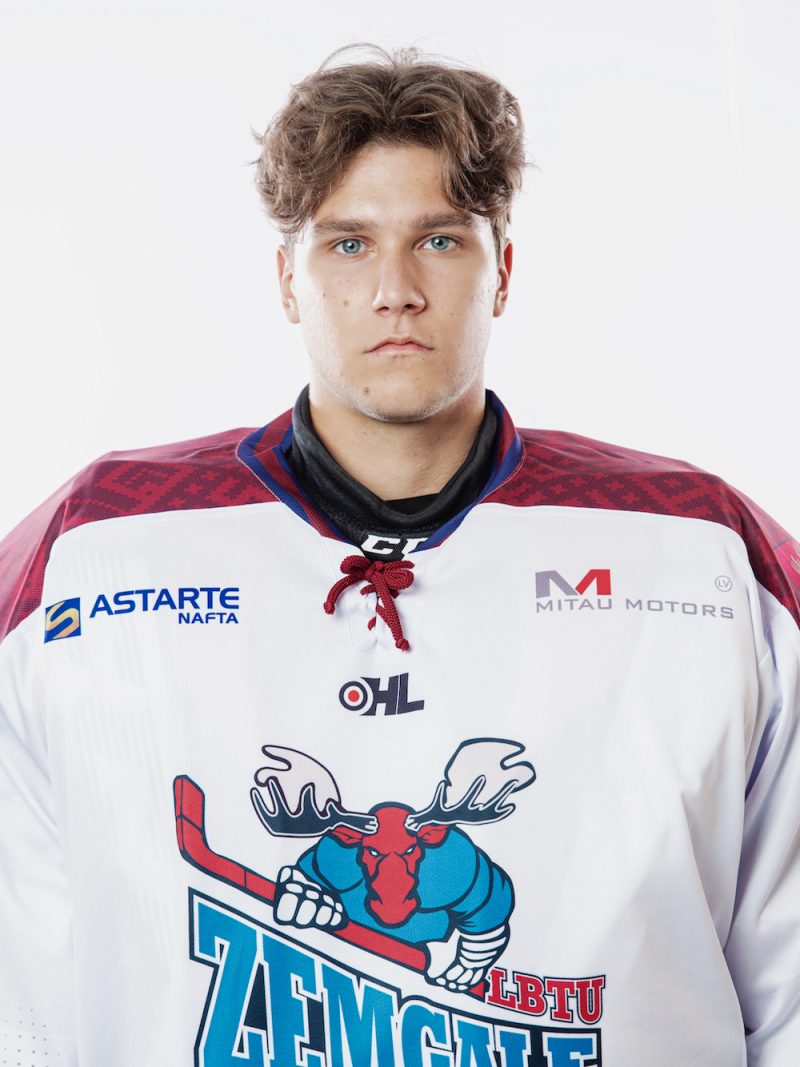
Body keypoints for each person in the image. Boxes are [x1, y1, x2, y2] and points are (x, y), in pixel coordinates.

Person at [0, 44, 799, 1067]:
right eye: (347, 243)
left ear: (501, 270)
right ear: (286, 280)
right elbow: (27, 1002)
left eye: (439, 239)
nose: (394, 289)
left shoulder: (703, 547)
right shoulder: (91, 545)